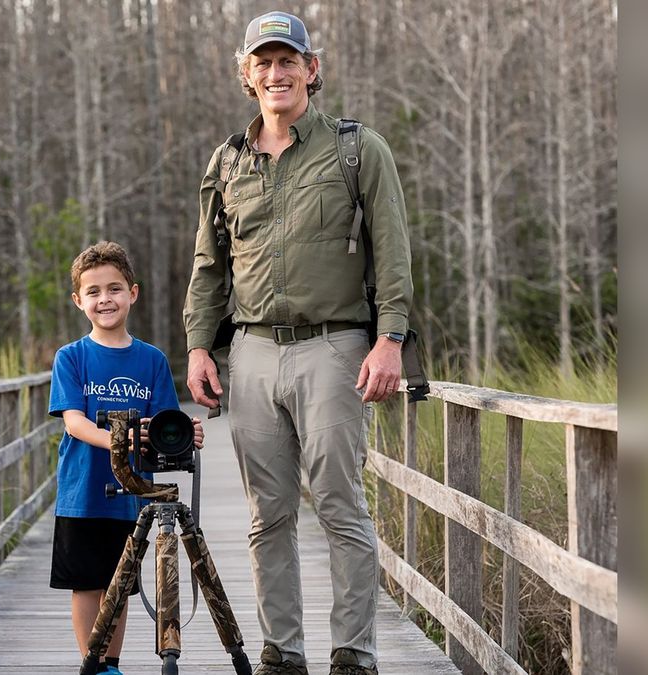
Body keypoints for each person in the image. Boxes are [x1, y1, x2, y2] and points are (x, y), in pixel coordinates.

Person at [184, 10, 413, 675]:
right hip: (251, 352)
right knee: (267, 516)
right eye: (264, 63)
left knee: (342, 506)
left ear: (312, 70)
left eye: (289, 61)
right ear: (247, 76)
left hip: (335, 346)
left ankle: (355, 654)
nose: (277, 73)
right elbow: (208, 263)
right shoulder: (227, 161)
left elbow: (392, 252)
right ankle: (282, 653)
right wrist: (199, 345)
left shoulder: (356, 149)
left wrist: (390, 337)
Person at [50, 241, 205, 675]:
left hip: (130, 495)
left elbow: (162, 425)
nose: (105, 299)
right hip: (82, 492)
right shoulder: (72, 357)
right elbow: (74, 423)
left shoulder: (151, 360)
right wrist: (118, 439)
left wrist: (182, 435)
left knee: (120, 584)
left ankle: (112, 664)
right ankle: (92, 662)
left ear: (132, 293)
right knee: (86, 583)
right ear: (79, 301)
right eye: (94, 292)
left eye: (114, 289)